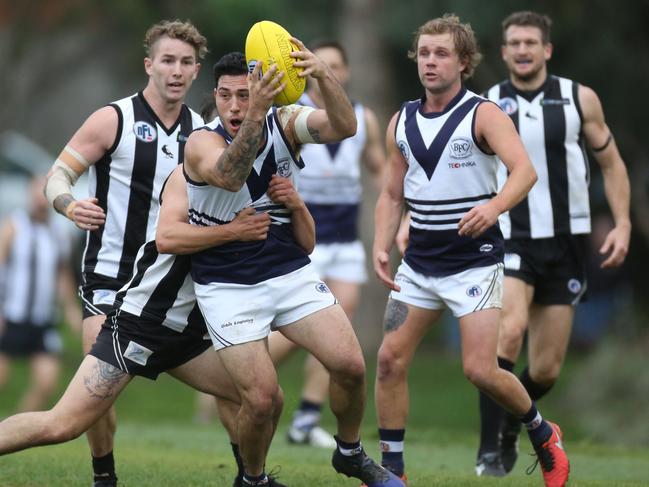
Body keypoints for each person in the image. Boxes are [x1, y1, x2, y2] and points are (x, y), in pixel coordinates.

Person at [183, 50, 404, 487]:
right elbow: (229, 174)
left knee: (350, 365)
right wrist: (256, 113)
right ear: (214, 97)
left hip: (287, 271)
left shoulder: (285, 122)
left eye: (245, 95)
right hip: (227, 285)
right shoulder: (200, 142)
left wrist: (321, 76)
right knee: (262, 400)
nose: (234, 105)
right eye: (225, 96)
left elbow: (345, 127)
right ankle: (253, 479)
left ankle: (350, 453)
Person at [371, 14, 569, 487]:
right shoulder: (401, 120)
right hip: (418, 264)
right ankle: (390, 473)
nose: (430, 62)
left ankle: (543, 433)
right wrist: (382, 245)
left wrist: (494, 206)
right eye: (423, 53)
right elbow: (392, 194)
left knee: (480, 370)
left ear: (463, 61)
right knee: (388, 361)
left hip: (474, 263)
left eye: (441, 53)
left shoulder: (483, 113)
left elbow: (523, 170)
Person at [0, 165, 287, 487]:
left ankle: (252, 480)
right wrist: (234, 232)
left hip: (187, 336)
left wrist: (296, 206)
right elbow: (167, 239)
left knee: (267, 398)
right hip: (142, 325)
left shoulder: (253, 194)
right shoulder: (192, 181)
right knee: (62, 425)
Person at [42, 19, 207, 487]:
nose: (176, 71)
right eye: (168, 61)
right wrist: (69, 205)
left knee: (248, 392)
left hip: (175, 291)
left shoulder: (203, 133)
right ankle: (104, 477)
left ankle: (248, 474)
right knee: (96, 401)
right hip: (108, 283)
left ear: (197, 71)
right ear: (149, 65)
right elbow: (56, 176)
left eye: (186, 63)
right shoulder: (112, 119)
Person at [476, 10, 631, 476]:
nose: (522, 50)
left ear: (546, 50)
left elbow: (612, 163)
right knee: (508, 331)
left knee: (545, 369)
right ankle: (490, 449)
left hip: (565, 242)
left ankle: (512, 423)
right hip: (511, 236)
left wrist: (622, 222)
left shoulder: (579, 99)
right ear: (504, 53)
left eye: (530, 42)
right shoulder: (487, 104)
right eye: (514, 43)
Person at [267, 39, 386, 449]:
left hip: (346, 237)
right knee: (312, 326)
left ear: (345, 72)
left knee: (342, 319)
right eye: (321, 62)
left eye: (335, 64)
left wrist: (395, 208)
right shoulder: (291, 116)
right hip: (307, 236)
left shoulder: (363, 119)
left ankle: (305, 418)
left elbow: (378, 169)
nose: (327, 69)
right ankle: (247, 366)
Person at [0, 175, 81, 412]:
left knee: (47, 382)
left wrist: (71, 310)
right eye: (36, 194)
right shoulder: (13, 227)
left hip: (43, 319)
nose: (39, 200)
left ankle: (15, 430)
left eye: (44, 195)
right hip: (12, 315)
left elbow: (62, 276)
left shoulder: (59, 234)